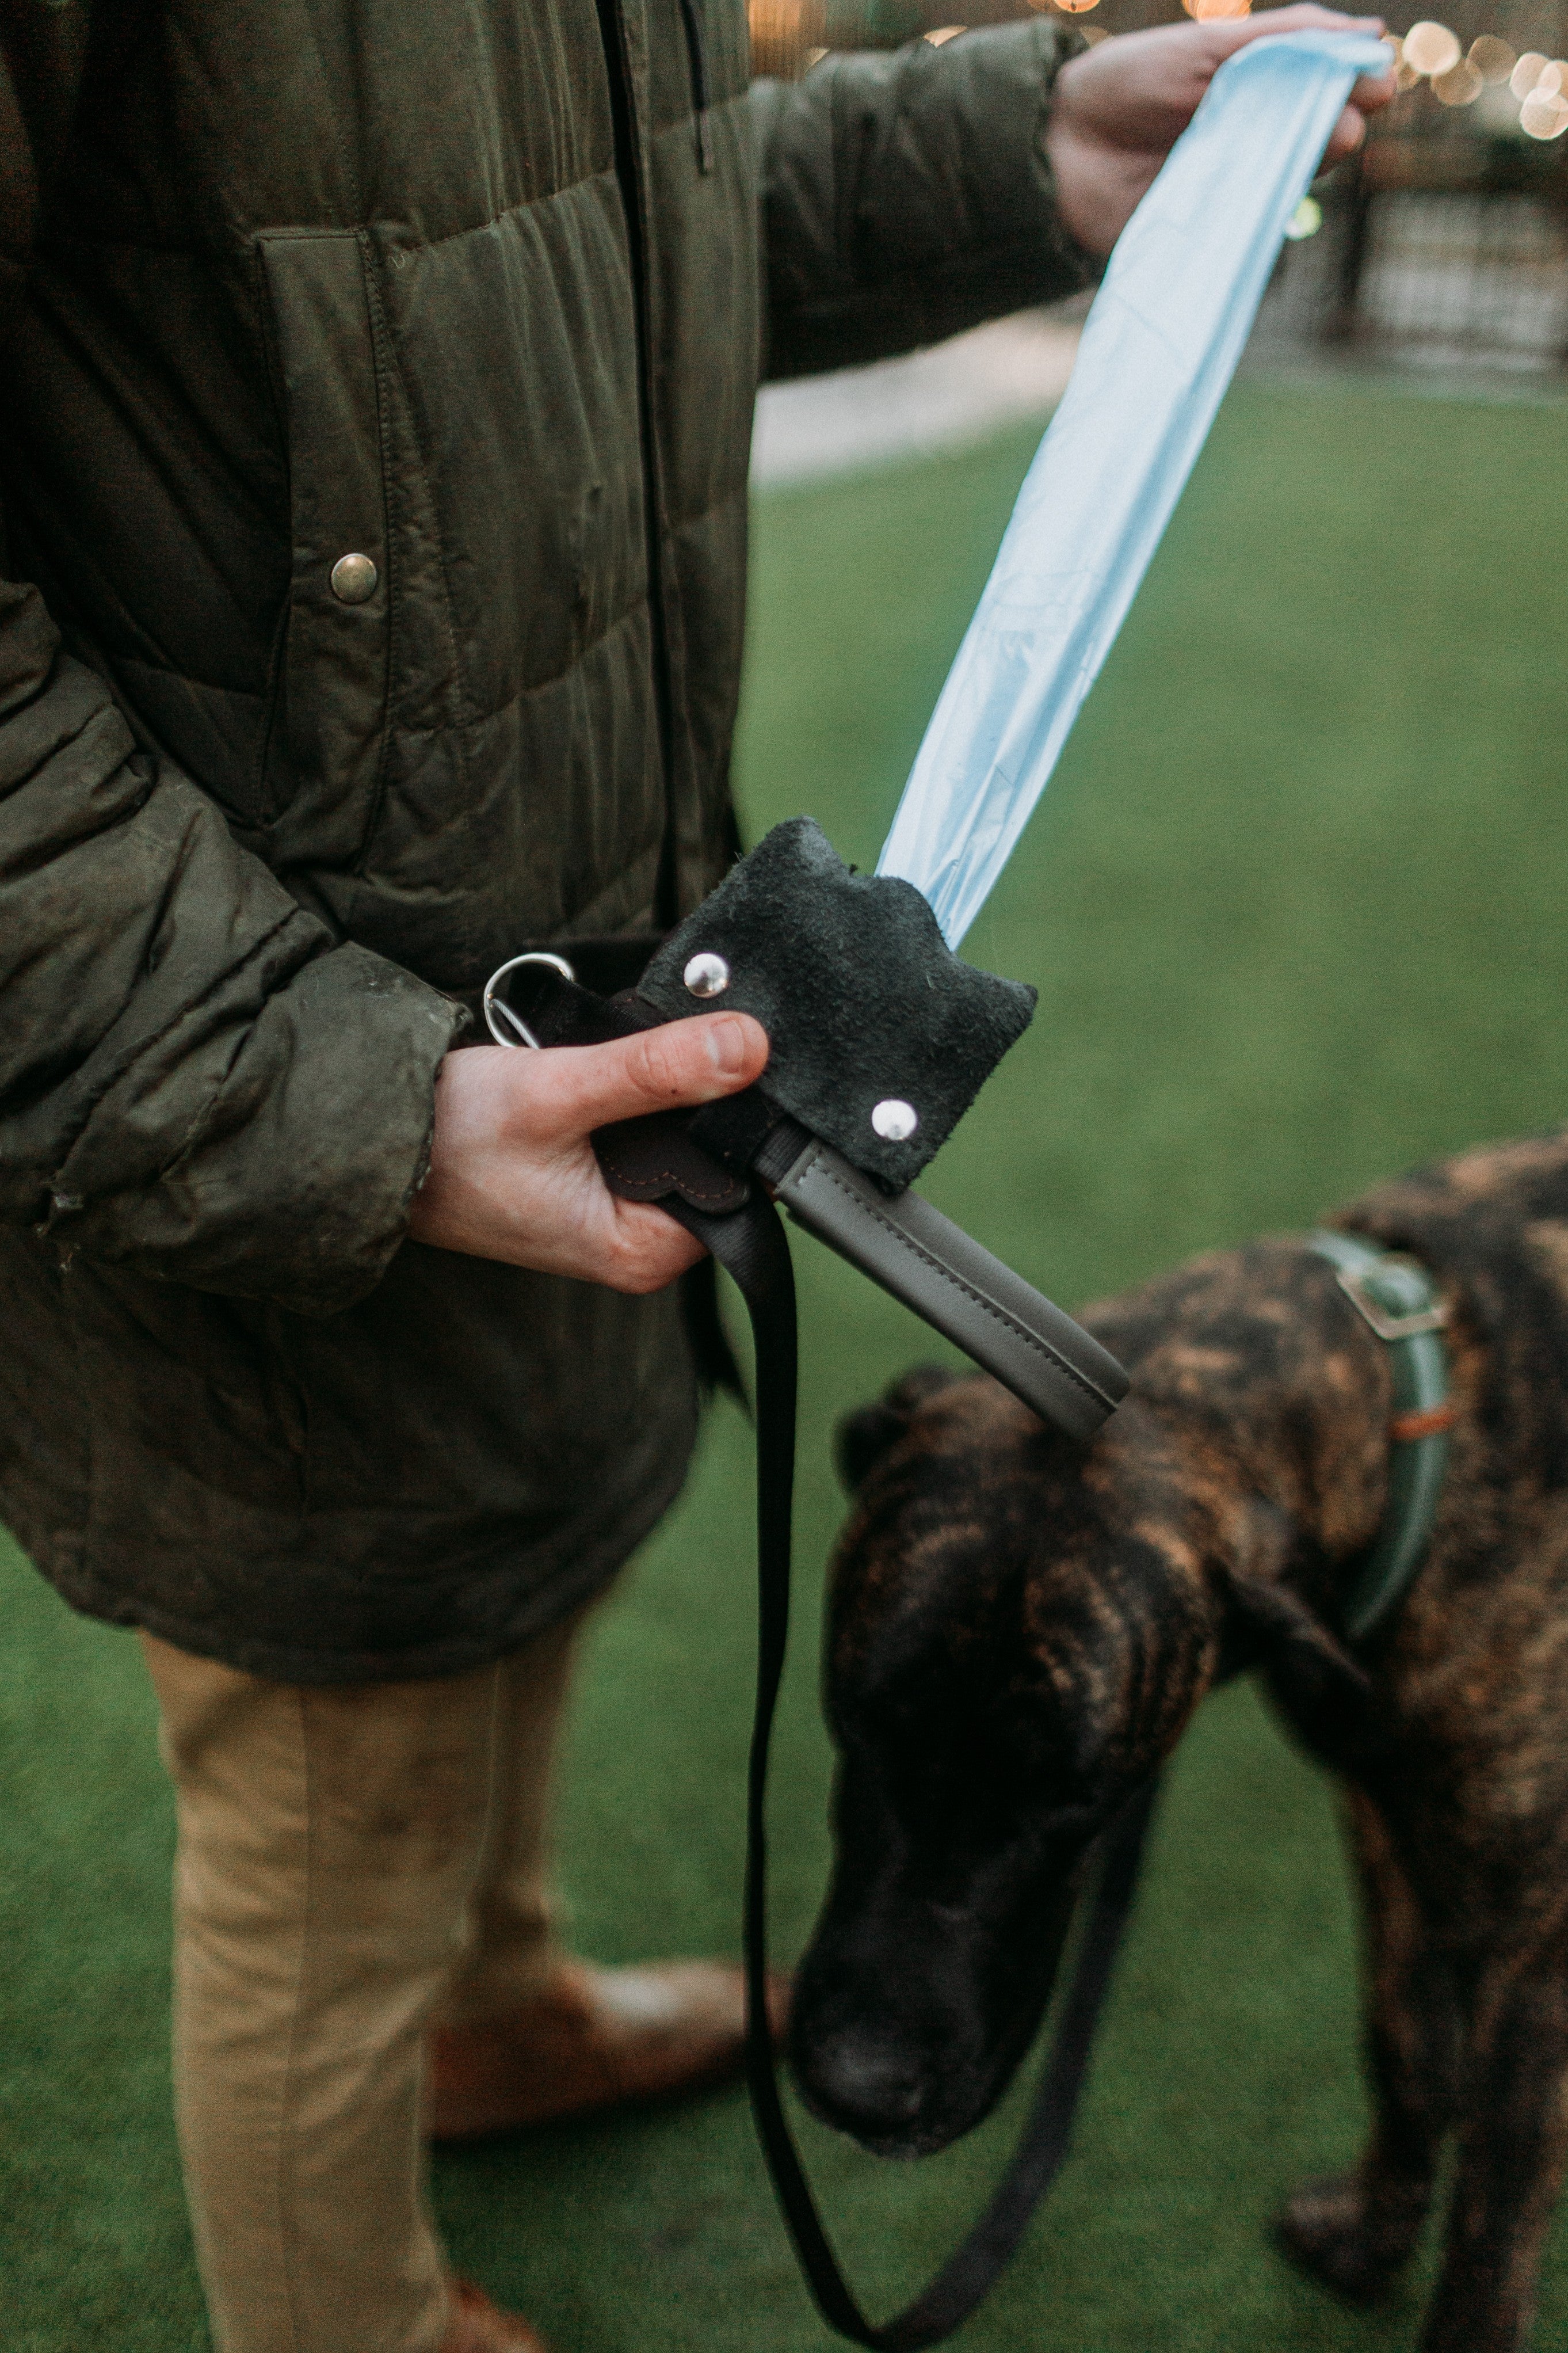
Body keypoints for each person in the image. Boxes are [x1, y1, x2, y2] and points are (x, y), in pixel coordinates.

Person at [0, 5, 1391, 2348]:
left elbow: (577, 213)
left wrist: (1003, 145)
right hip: (251, 1066)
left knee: (528, 1523)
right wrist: (294, 1072)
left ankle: (505, 1999)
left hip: (576, 981)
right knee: (338, 1797)